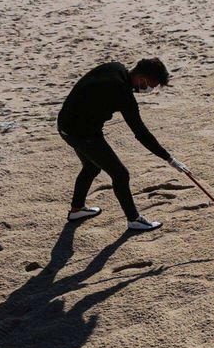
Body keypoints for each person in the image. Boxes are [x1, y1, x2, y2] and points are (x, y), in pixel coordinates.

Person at [56, 58, 188, 231]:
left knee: (91, 167)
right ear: (142, 79)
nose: (150, 89)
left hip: (64, 124)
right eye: (152, 85)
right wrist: (169, 159)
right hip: (82, 133)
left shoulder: (114, 67)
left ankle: (77, 210)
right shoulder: (123, 94)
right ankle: (134, 219)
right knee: (120, 175)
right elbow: (141, 133)